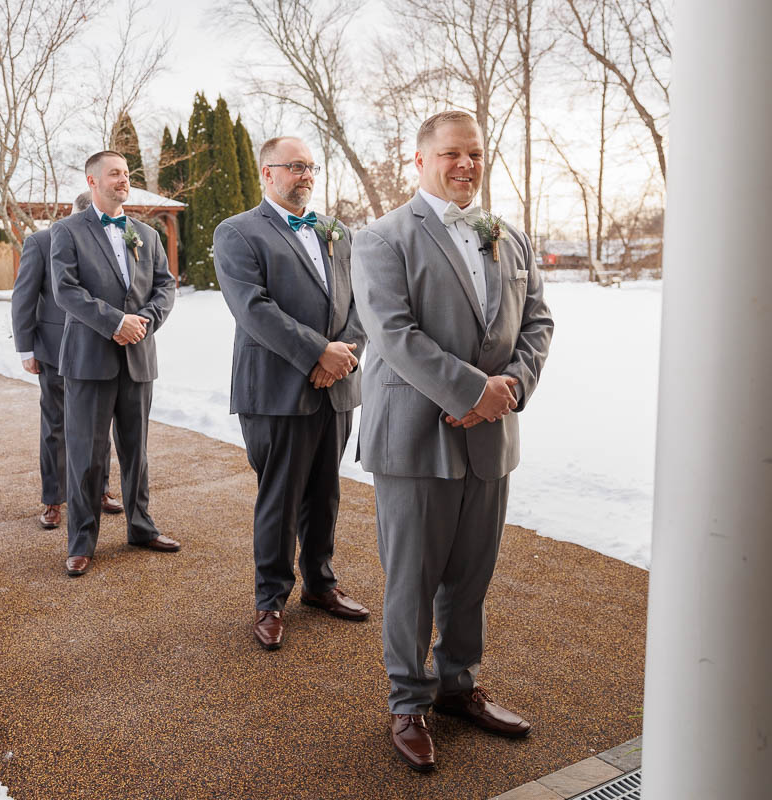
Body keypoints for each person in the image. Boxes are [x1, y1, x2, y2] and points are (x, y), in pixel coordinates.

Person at [350, 111, 554, 771]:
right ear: (418, 160)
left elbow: (539, 322)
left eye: (474, 153)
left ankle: (457, 684)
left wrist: (511, 389)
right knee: (412, 579)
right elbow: (393, 333)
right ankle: (407, 701)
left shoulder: (509, 237)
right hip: (415, 438)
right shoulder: (382, 238)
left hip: (492, 438)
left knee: (471, 576)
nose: (465, 165)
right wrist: (474, 391)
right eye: (450, 154)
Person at [213, 136, 370, 651]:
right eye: (295, 166)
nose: (306, 175)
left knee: (325, 492)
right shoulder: (237, 232)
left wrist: (343, 353)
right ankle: (271, 599)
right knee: (279, 497)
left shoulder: (337, 231)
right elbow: (253, 309)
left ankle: (321, 584)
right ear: (267, 173)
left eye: (311, 167)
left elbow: (359, 304)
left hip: (337, 386)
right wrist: (315, 354)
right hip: (276, 389)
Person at [50, 151, 178, 577]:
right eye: (114, 174)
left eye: (126, 174)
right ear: (93, 181)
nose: (123, 180)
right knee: (86, 454)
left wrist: (143, 323)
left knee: (136, 450)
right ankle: (81, 540)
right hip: (89, 360)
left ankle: (141, 527)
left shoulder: (146, 233)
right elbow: (65, 290)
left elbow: (165, 286)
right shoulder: (66, 231)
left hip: (138, 356)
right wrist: (114, 322)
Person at [11, 192, 123, 531]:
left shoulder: (115, 242)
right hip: (55, 351)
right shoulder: (42, 241)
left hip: (100, 349)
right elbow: (24, 297)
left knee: (98, 425)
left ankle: (99, 490)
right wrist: (26, 349)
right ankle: (52, 500)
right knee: (56, 427)